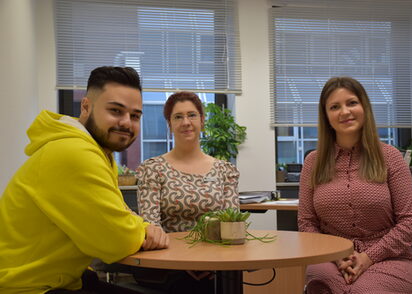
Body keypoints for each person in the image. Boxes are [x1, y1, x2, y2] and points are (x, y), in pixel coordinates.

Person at [0, 66, 169, 294]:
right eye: (116, 111)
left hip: (65, 279)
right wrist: (143, 228)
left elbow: (121, 215)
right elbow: (116, 241)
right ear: (86, 106)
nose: (127, 123)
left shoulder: (96, 152)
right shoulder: (74, 152)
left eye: (135, 115)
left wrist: (141, 225)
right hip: (27, 287)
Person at [298, 76, 412, 294]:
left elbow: (410, 222)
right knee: (322, 286)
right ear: (326, 116)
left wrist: (368, 257)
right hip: (331, 260)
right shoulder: (313, 163)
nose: (344, 112)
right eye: (334, 107)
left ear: (364, 107)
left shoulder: (390, 157)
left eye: (352, 103)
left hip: (390, 259)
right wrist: (338, 256)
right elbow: (307, 223)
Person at [135, 91, 240, 293]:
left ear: (202, 120)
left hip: (216, 264)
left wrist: (209, 259)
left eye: (192, 115)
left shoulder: (225, 170)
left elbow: (232, 226)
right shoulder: (152, 169)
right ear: (169, 124)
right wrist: (186, 260)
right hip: (169, 265)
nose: (186, 122)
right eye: (178, 117)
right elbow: (152, 227)